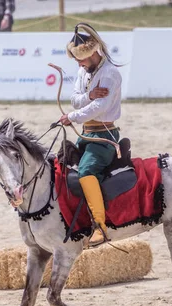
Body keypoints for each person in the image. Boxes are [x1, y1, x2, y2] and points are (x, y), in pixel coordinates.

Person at [59, 23, 123, 248]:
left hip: (104, 137)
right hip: (86, 135)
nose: (79, 63)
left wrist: (73, 116)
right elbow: (75, 99)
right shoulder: (82, 71)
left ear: (93, 53)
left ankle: (100, 227)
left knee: (86, 171)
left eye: (82, 59)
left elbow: (100, 108)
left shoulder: (111, 74)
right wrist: (88, 95)